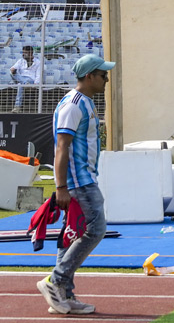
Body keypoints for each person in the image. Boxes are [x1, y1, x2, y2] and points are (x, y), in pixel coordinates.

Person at [38, 54, 115, 316]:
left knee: (71, 234)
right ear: (90, 76)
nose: (106, 79)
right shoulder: (73, 105)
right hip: (78, 182)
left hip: (83, 178)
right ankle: (56, 281)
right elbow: (61, 146)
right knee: (95, 229)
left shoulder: (86, 102)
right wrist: (61, 187)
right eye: (103, 74)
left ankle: (64, 295)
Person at [9, 45, 42, 111]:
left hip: (30, 80)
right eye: (23, 52)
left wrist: (36, 84)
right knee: (11, 73)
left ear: (30, 53)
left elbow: (38, 75)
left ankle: (17, 107)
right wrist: (13, 70)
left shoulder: (38, 62)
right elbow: (13, 68)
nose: (23, 54)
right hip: (21, 78)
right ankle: (25, 83)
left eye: (25, 52)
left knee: (20, 85)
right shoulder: (20, 61)